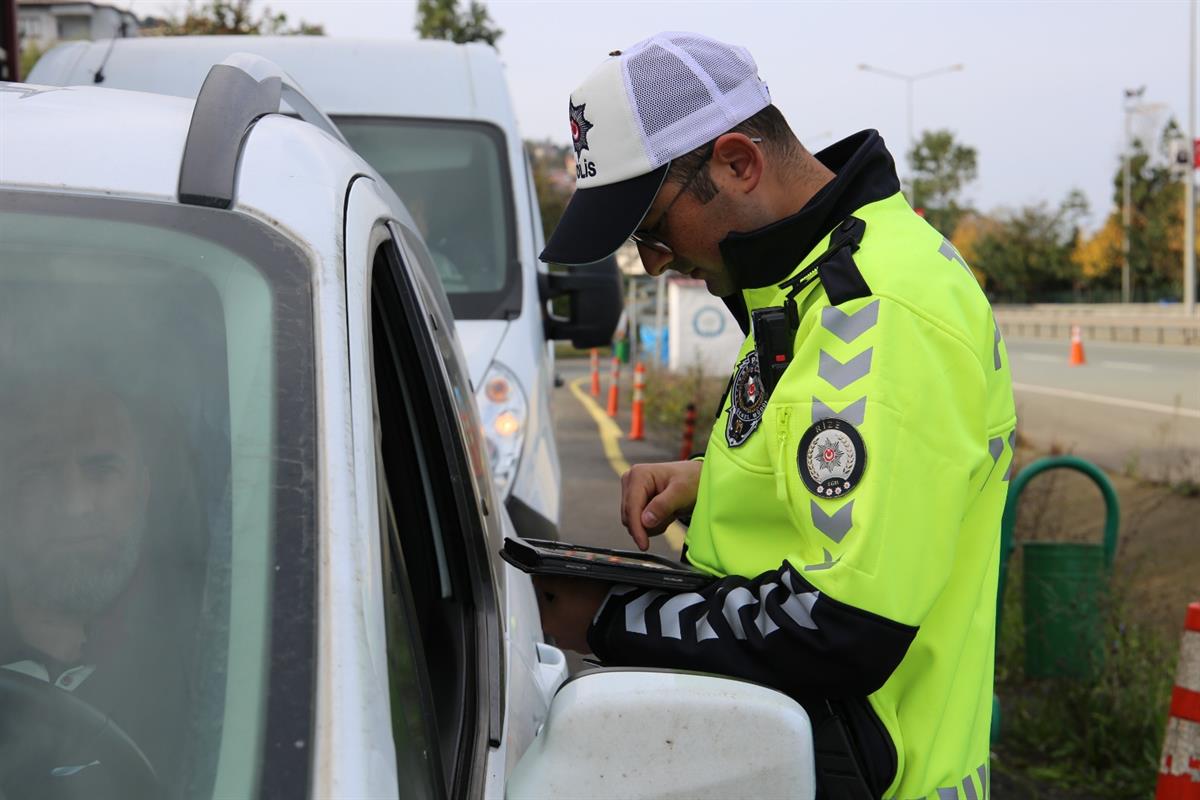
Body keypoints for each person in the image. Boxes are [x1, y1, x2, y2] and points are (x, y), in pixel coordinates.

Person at [534, 32, 1016, 800]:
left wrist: (607, 617)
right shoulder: (814, 280)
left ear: (737, 163)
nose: (654, 261)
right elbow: (872, 475)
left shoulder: (879, 311)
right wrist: (718, 478)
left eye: (651, 227)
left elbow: (845, 621)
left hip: (872, 776)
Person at [0, 375, 197, 796]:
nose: (74, 505)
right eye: (37, 472)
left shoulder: (217, 668)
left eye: (101, 469)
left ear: (144, 489)